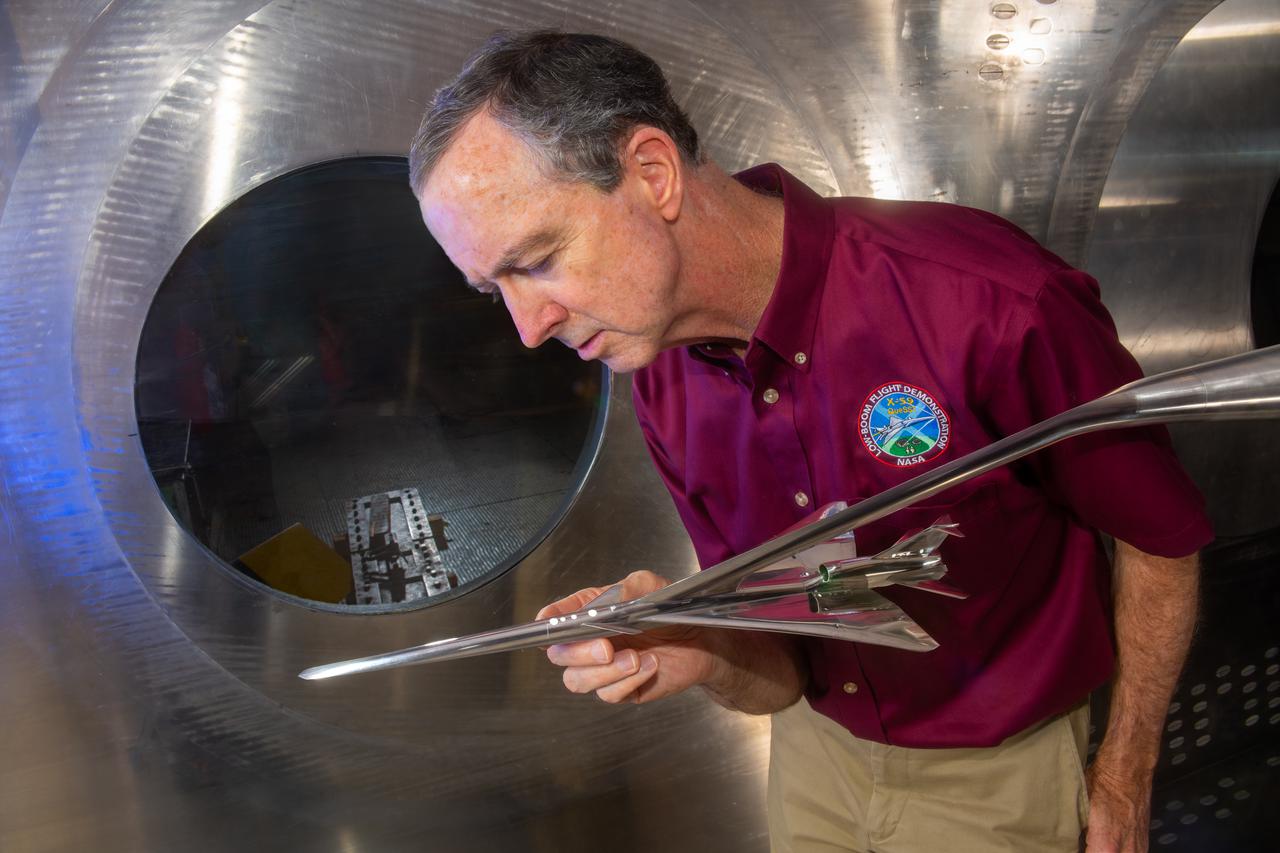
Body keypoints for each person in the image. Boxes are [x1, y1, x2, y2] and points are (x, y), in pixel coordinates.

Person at [408, 30, 1212, 853]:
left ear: (653, 173)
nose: (527, 329)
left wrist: (1126, 769)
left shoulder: (987, 302)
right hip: (815, 761)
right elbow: (783, 675)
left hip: (999, 779)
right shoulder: (662, 378)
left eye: (537, 260)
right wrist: (702, 642)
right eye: (491, 290)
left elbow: (1160, 539)